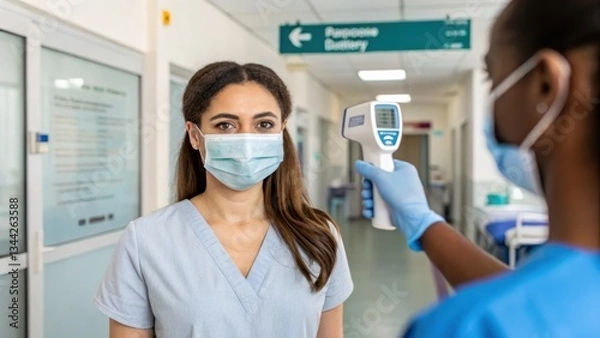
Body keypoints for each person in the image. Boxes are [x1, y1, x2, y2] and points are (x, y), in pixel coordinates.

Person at [356, 0, 599, 336]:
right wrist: (423, 223)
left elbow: (523, 306)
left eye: (491, 76)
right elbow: (536, 297)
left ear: (545, 85)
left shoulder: (466, 326)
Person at [94, 62, 353, 338]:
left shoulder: (319, 236)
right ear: (195, 135)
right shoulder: (146, 240)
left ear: (281, 132)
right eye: (226, 125)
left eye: (264, 124)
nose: (246, 140)